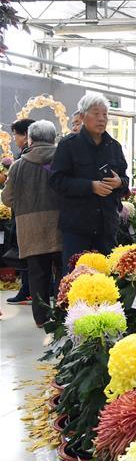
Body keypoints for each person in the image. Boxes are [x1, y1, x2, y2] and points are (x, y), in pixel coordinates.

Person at [50, 94, 129, 269]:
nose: (102, 118)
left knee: (108, 274)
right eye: (96, 113)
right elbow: (57, 181)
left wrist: (120, 183)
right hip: (77, 227)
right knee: (75, 275)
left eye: (105, 114)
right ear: (83, 116)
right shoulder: (68, 145)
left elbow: (125, 181)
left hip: (106, 226)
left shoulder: (114, 147)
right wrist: (90, 186)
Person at [1, 120, 63, 327]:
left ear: (30, 139)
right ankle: (63, 315)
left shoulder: (18, 166)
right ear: (53, 138)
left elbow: (7, 199)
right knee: (63, 271)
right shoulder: (63, 161)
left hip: (30, 228)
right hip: (61, 224)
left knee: (38, 274)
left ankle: (41, 318)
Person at [5, 118, 35, 305]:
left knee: (27, 254)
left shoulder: (26, 158)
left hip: (25, 213)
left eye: (16, 134)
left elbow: (10, 193)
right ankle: (32, 289)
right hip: (31, 212)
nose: (14, 138)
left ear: (26, 135)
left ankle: (27, 290)